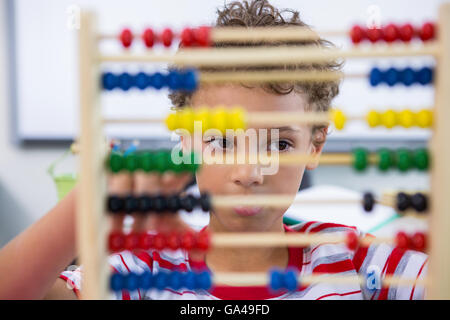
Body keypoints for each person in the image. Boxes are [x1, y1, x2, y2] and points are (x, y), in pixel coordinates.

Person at [0, 0, 428, 300]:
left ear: (316, 145)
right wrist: (86, 205)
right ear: (186, 142)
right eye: (221, 142)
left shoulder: (359, 262)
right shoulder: (137, 273)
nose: (250, 173)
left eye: (279, 143)